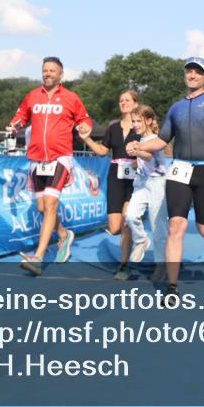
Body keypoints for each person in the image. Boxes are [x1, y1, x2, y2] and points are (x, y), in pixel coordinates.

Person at [133, 57, 204, 299]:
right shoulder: (176, 108)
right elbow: (162, 140)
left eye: (198, 71)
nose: (192, 75)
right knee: (177, 226)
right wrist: (139, 147)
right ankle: (172, 287)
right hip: (179, 170)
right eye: (189, 71)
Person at [8, 57, 92, 276]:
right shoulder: (32, 96)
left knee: (52, 205)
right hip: (37, 159)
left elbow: (85, 119)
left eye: (52, 70)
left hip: (60, 158)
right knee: (43, 208)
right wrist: (13, 125)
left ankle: (38, 257)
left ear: (61, 74)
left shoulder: (71, 98)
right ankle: (64, 235)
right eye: (45, 70)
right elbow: (20, 117)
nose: (47, 74)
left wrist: (84, 126)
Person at [79, 90, 140, 280]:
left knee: (127, 219)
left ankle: (124, 265)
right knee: (115, 227)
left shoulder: (141, 127)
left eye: (127, 100)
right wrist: (86, 139)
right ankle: (134, 239)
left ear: (135, 104)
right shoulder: (112, 128)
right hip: (115, 178)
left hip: (134, 178)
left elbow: (151, 149)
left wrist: (141, 158)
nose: (123, 103)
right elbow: (101, 151)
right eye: (120, 100)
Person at [122, 105, 168, 277]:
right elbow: (143, 160)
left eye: (138, 121)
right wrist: (135, 160)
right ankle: (141, 240)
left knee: (158, 226)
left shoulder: (156, 139)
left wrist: (138, 151)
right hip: (141, 183)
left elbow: (149, 156)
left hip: (158, 184)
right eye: (133, 121)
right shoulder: (138, 139)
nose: (135, 124)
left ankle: (161, 264)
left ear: (149, 121)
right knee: (131, 215)